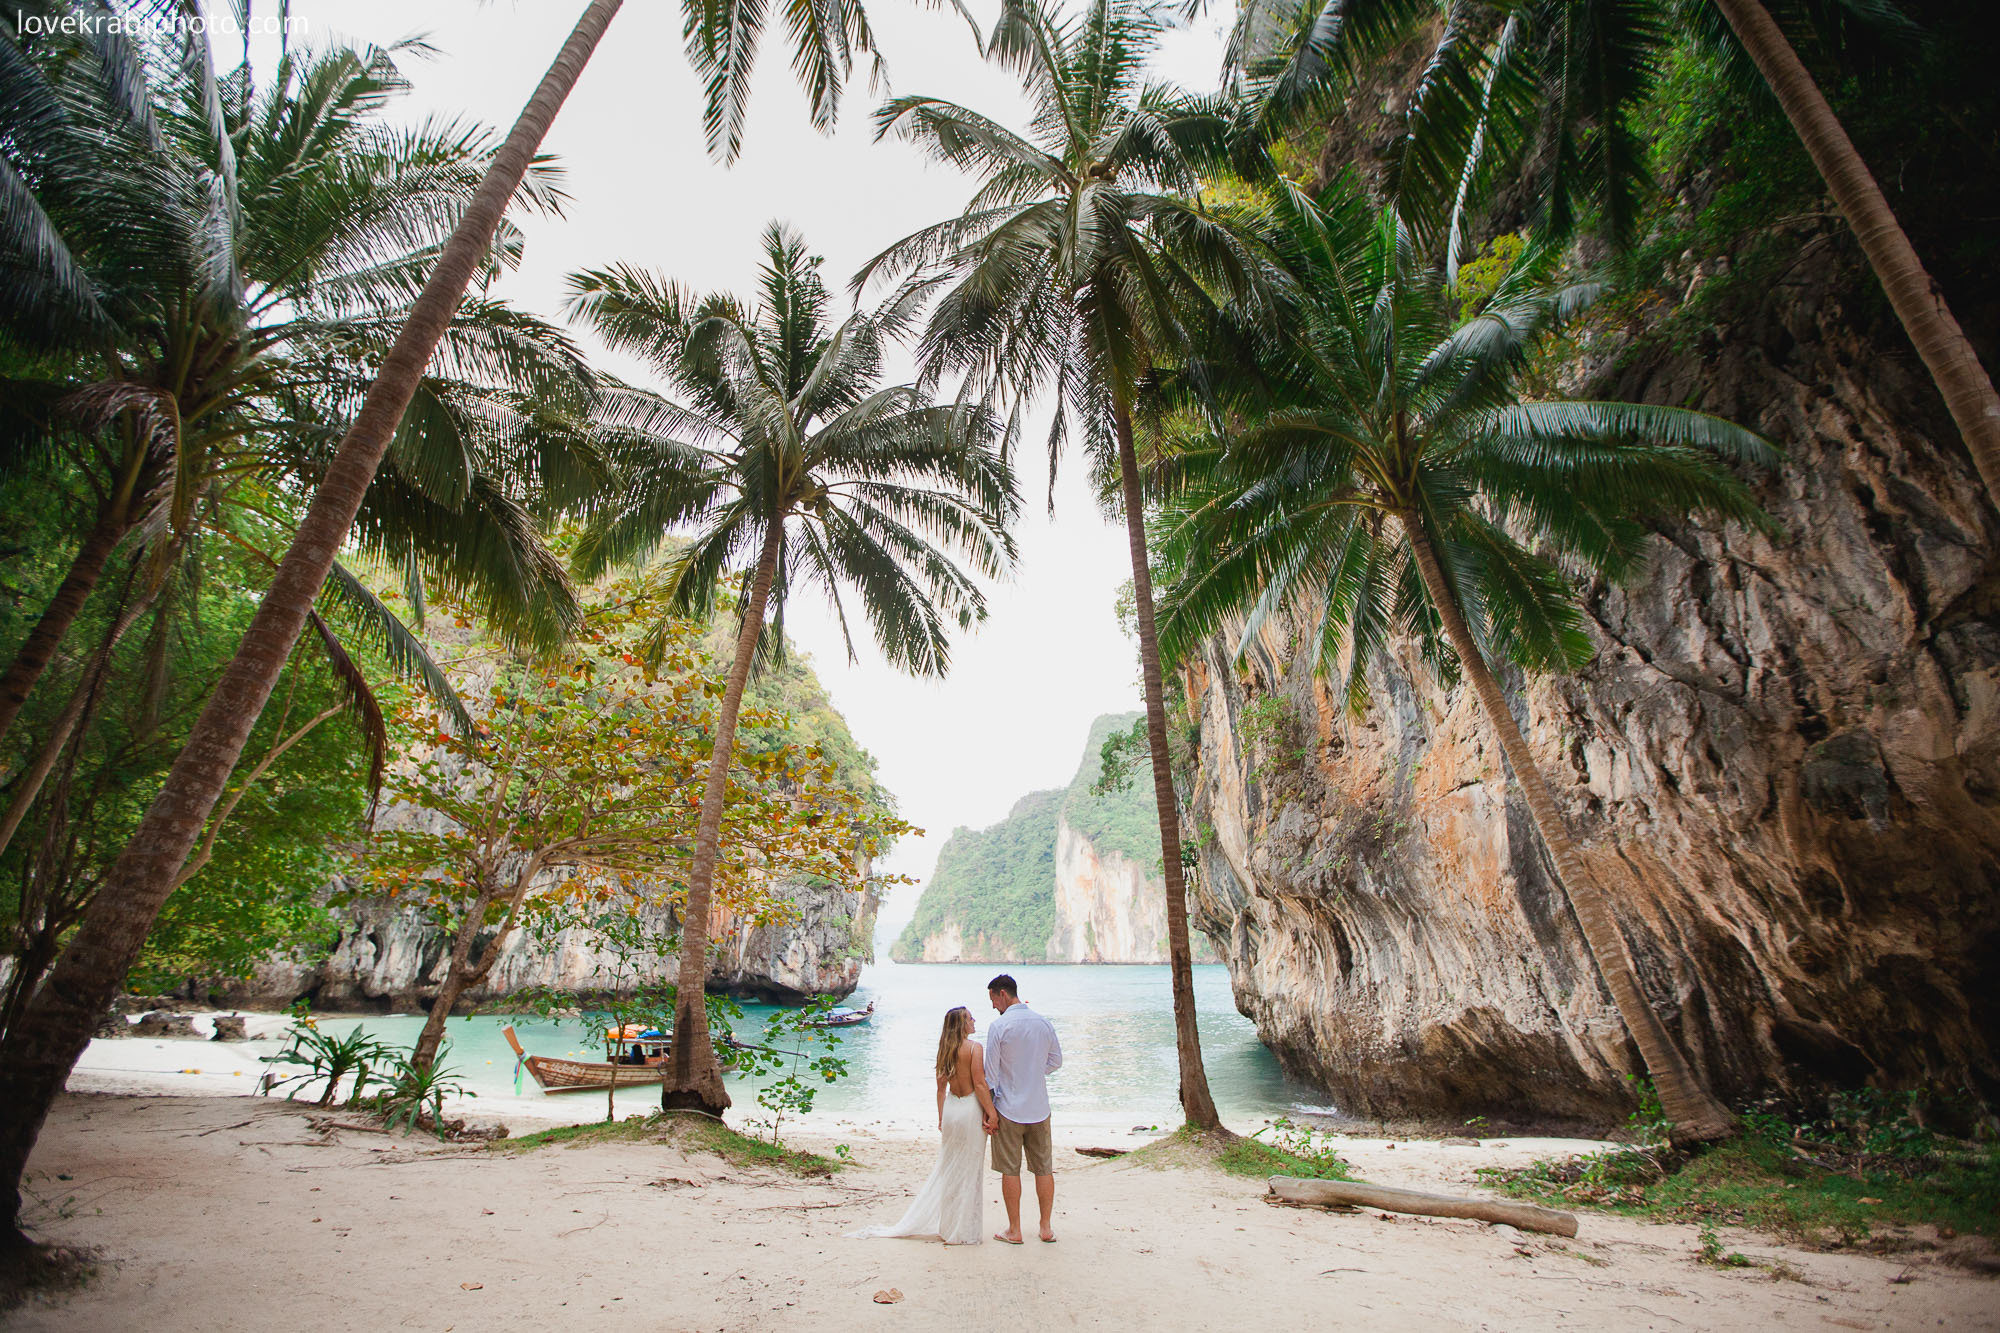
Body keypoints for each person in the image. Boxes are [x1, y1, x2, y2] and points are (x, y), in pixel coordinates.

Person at [848, 1006, 997, 1245]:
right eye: (970, 1018)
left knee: (950, 1169)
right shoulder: (974, 1048)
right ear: (962, 1024)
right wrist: (992, 1113)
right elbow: (979, 1084)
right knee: (969, 1170)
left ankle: (948, 1228)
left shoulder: (944, 1049)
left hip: (951, 1110)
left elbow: (940, 1090)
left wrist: (941, 1118)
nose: (974, 1021)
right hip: (970, 1110)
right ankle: (964, 1232)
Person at [983, 973, 1062, 1244]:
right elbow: (1056, 1061)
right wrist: (1034, 1072)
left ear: (1003, 994)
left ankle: (1015, 1230)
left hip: (1008, 1109)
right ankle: (1046, 1228)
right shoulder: (1043, 1023)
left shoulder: (999, 1026)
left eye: (993, 999)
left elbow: (990, 1075)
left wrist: (989, 1112)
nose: (993, 1005)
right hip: (1039, 1107)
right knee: (1044, 1168)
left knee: (1010, 1170)